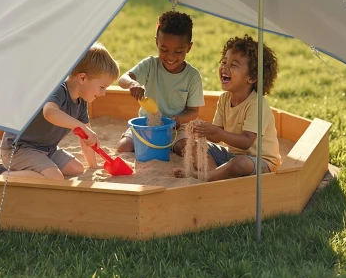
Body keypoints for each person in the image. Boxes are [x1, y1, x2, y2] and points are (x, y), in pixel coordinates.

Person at [0, 43, 119, 181]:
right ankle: (4, 175)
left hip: (46, 150)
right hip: (19, 149)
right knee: (55, 177)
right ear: (82, 78)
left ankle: (37, 167)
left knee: (77, 168)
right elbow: (49, 112)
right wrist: (79, 126)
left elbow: (86, 137)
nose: (104, 93)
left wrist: (93, 165)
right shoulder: (58, 89)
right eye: (102, 87)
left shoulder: (81, 101)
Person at [173, 34, 280, 181]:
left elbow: (246, 141)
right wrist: (202, 130)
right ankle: (214, 176)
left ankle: (205, 176)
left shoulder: (256, 104)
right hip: (231, 156)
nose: (225, 67)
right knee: (196, 146)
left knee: (239, 163)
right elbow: (216, 137)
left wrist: (216, 131)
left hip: (259, 163)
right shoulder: (224, 99)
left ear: (252, 77)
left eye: (233, 65)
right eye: (224, 62)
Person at [116, 10, 204, 155]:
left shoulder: (192, 76)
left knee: (186, 150)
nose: (170, 56)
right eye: (163, 49)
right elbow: (123, 79)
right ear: (157, 42)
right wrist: (132, 84)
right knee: (123, 147)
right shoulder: (150, 65)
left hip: (175, 127)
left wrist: (180, 119)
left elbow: (194, 111)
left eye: (178, 51)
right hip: (147, 123)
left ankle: (168, 145)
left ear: (189, 47)